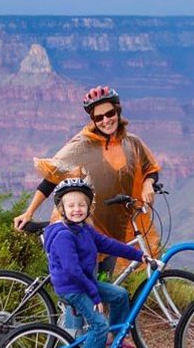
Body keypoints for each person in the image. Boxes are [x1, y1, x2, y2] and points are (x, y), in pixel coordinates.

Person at [14, 85, 161, 279]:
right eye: (99, 117)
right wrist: (29, 211)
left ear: (117, 111)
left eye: (109, 113)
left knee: (105, 288)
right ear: (93, 120)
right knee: (83, 288)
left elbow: (150, 169)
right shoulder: (83, 144)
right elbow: (52, 176)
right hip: (83, 228)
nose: (106, 120)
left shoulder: (132, 143)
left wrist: (148, 184)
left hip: (114, 228)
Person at [44, 178, 148, 348]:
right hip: (73, 289)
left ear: (88, 207)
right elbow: (72, 272)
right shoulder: (64, 235)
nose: (77, 209)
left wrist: (140, 255)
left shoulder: (84, 230)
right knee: (98, 323)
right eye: (71, 205)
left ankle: (111, 337)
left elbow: (109, 245)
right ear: (61, 209)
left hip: (84, 284)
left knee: (119, 294)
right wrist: (95, 295)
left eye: (81, 205)